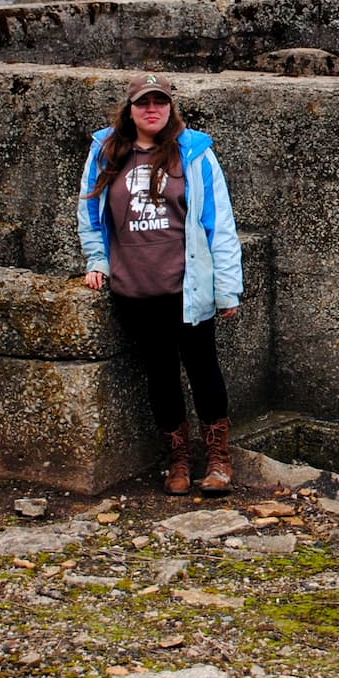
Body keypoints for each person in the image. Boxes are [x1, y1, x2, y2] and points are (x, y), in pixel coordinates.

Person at [77, 71, 243, 495]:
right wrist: (97, 261)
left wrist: (227, 287)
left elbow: (218, 224)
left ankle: (219, 460)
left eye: (160, 102)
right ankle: (178, 460)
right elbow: (91, 214)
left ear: (170, 107)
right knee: (160, 375)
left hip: (185, 287)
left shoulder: (194, 154)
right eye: (143, 103)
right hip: (135, 289)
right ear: (129, 110)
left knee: (203, 370)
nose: (152, 110)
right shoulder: (105, 151)